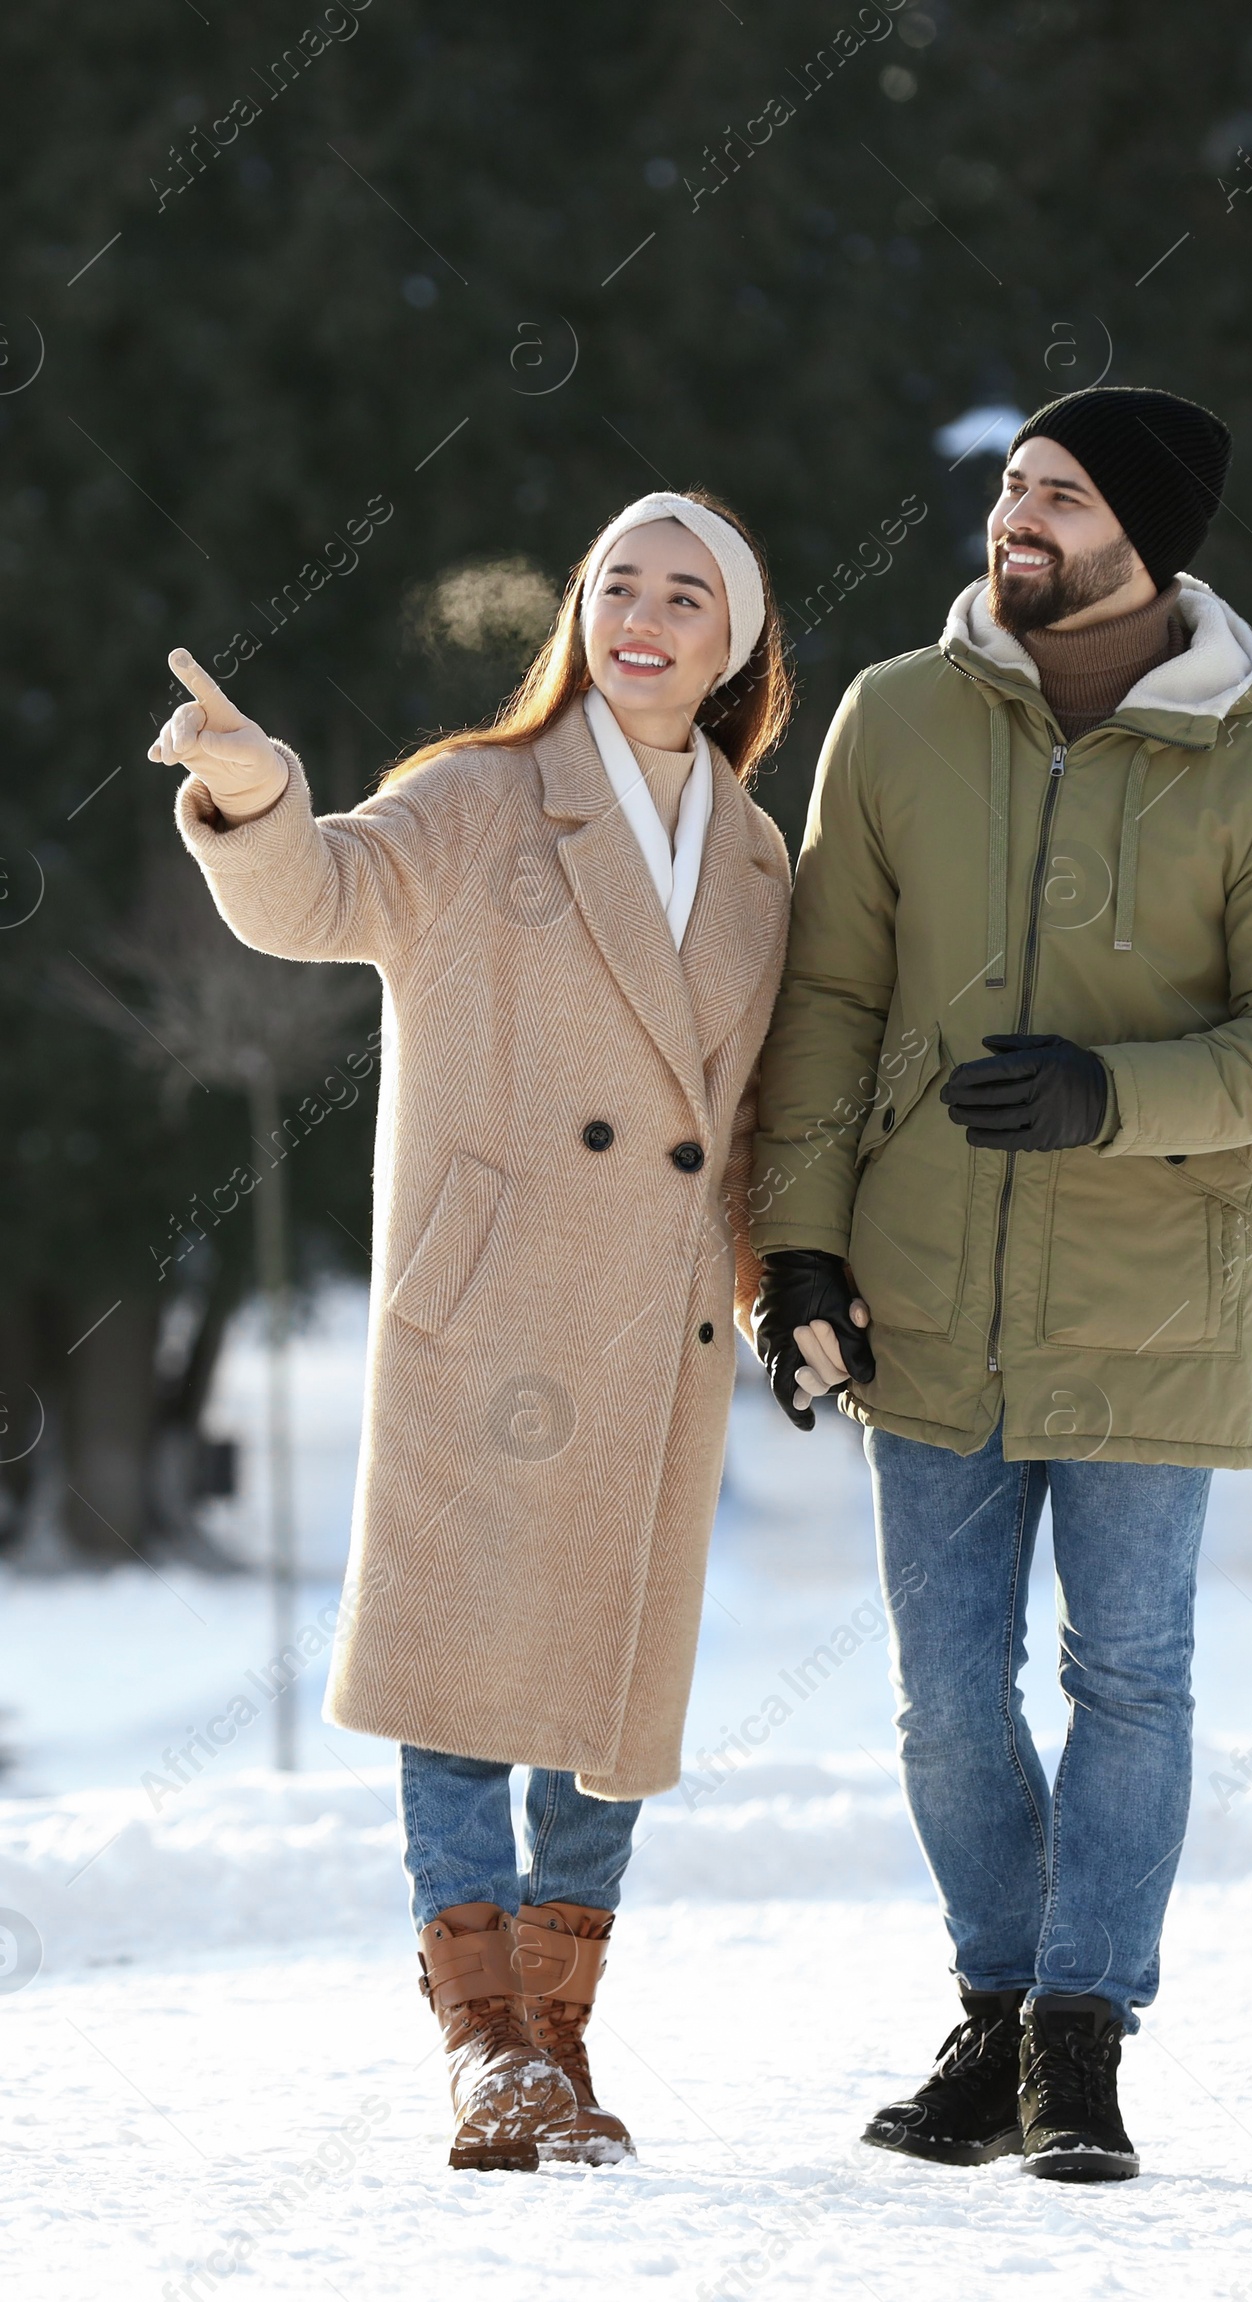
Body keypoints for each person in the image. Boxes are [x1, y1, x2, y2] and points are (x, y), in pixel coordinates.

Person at [750, 387, 1252, 2182]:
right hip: (919, 1287)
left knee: (1134, 1676)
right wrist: (799, 1239)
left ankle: (1081, 2035)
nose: (1017, 516)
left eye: (1062, 494)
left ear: (1149, 537)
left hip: (1150, 1297)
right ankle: (999, 2010)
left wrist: (1118, 1097)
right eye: (1013, 485)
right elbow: (829, 1002)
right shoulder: (894, 717)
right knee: (947, 1694)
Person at [151, 490, 793, 2172]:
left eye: (685, 598)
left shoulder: (755, 855)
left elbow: (754, 1115)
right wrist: (252, 787)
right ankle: (482, 2039)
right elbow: (319, 896)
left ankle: (561, 2036)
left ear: (735, 651)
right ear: (578, 609)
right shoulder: (474, 791)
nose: (641, 616)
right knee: (462, 1670)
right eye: (615, 584)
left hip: (655, 1337)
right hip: (489, 1307)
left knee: (605, 1690)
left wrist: (777, 1276)